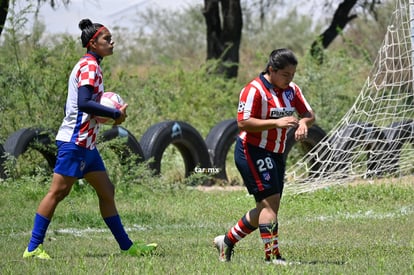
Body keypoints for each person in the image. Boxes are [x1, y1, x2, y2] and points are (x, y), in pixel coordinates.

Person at [23, 19, 157, 259]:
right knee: (57, 193)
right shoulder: (89, 66)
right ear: (93, 43)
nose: (112, 42)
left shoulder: (94, 65)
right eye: (107, 39)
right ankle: (33, 248)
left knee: (106, 190)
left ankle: (127, 247)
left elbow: (91, 108)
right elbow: (84, 103)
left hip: (87, 144)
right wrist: (115, 114)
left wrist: (110, 116)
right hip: (74, 142)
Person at [213, 48, 315, 265]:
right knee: (270, 205)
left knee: (265, 208)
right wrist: (277, 122)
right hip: (253, 150)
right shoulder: (253, 90)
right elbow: (243, 122)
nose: (289, 80)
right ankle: (273, 257)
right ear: (272, 70)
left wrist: (304, 124)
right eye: (285, 75)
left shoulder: (291, 90)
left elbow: (308, 114)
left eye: (292, 76)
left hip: (277, 153)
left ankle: (227, 241)